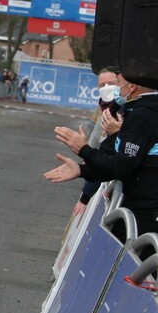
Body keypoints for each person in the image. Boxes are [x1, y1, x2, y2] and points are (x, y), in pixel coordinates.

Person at [46, 76, 158, 236]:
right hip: (140, 209)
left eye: (117, 83)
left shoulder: (143, 115)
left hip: (144, 214)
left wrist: (84, 149)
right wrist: (81, 170)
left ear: (132, 86)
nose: (114, 89)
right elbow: (120, 163)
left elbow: (122, 167)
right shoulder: (139, 111)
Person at [73, 67, 125, 215]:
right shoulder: (104, 109)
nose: (106, 88)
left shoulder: (122, 113)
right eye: (102, 85)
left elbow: (107, 159)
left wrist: (85, 197)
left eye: (111, 83)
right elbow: (97, 141)